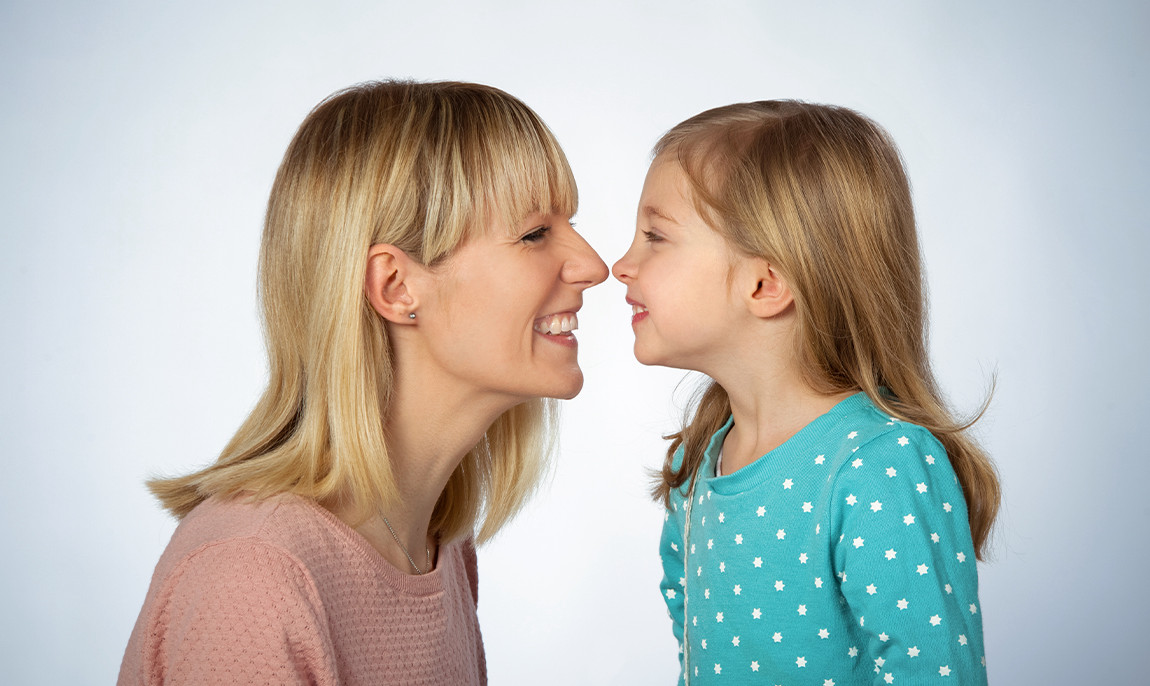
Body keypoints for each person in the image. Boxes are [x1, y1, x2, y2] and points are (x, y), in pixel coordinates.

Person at [119, 80, 607, 685]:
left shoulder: (437, 548)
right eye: (535, 233)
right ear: (397, 287)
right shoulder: (250, 578)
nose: (594, 265)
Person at [612, 100, 1000, 684]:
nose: (622, 264)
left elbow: (932, 670)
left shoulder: (878, 467)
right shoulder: (694, 463)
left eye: (655, 237)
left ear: (765, 283)